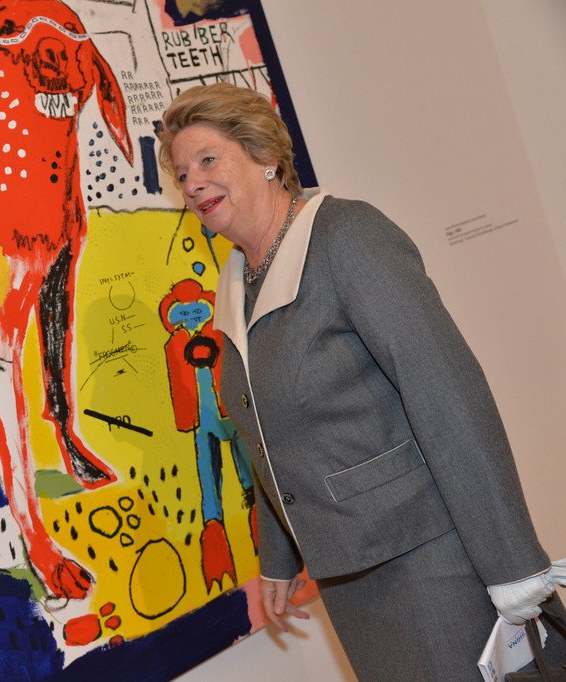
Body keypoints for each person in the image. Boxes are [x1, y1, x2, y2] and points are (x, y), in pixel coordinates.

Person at [156, 82, 566, 680]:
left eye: (208, 160)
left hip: (431, 562)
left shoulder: (347, 237)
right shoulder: (235, 284)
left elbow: (448, 396)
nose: (192, 183)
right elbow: (265, 435)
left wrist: (514, 565)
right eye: (181, 173)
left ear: (264, 156)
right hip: (348, 581)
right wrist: (278, 558)